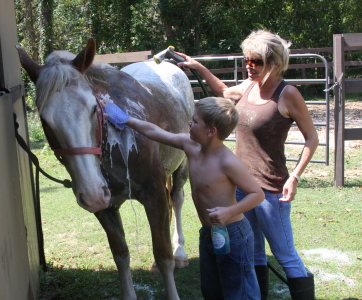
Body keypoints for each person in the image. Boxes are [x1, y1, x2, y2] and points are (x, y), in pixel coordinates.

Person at [176, 30, 319, 300]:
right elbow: (223, 91)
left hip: (271, 190)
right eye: (246, 60)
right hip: (241, 188)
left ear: (275, 63)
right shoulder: (250, 86)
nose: (249, 66)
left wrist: (295, 177)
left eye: (256, 61)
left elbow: (312, 137)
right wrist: (198, 67)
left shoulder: (288, 94)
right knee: (253, 254)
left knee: (284, 255)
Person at [104, 97, 265, 300]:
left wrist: (229, 211)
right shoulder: (190, 145)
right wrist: (126, 119)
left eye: (195, 121)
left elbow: (257, 194)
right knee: (211, 289)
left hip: (233, 234)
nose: (189, 123)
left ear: (211, 131)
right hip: (209, 233)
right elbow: (155, 132)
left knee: (238, 290)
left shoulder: (227, 162)